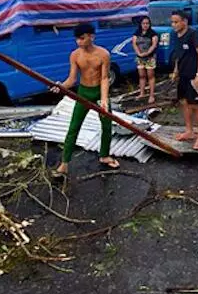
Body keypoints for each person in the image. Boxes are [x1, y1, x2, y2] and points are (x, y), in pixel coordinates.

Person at [52, 23, 120, 175]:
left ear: (91, 36)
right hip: (83, 92)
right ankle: (64, 163)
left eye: (82, 38)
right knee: (73, 127)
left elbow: (104, 78)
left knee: (107, 126)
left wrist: (103, 100)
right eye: (77, 39)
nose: (79, 42)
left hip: (98, 92)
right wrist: (61, 86)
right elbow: (71, 79)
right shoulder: (75, 55)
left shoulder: (103, 54)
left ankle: (104, 155)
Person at [170, 10, 198, 150]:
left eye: (176, 22)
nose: (173, 25)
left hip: (194, 76)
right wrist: (175, 70)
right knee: (184, 102)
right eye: (172, 22)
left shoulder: (193, 34)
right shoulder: (176, 35)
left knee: (195, 105)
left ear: (184, 21)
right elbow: (178, 55)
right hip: (183, 75)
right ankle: (189, 131)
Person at [131, 16, 159, 104]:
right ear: (141, 24)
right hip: (140, 58)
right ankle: (142, 93)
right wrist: (139, 53)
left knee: (150, 76)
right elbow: (134, 44)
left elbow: (154, 45)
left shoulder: (153, 34)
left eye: (147, 23)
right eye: (144, 23)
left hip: (150, 58)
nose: (145, 25)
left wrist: (146, 53)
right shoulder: (137, 33)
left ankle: (151, 95)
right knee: (141, 76)